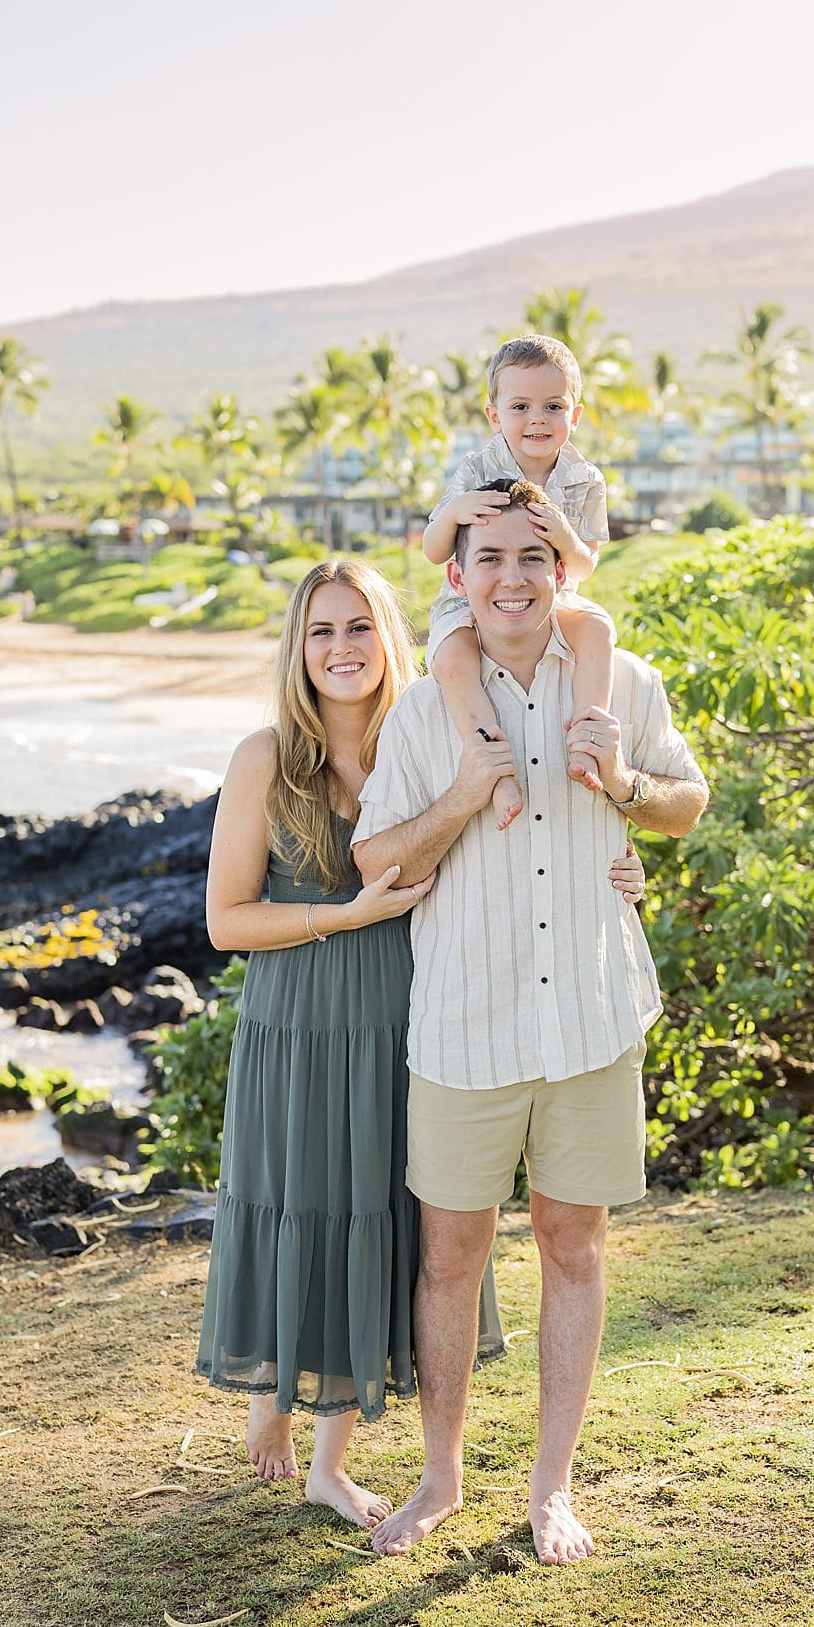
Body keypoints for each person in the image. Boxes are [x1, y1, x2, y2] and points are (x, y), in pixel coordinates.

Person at [195, 558, 646, 1529]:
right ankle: (272, 1393)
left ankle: (329, 1462)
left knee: (376, 1215)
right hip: (303, 1017)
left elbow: (532, 838)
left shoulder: (430, 728)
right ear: (298, 648)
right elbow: (226, 921)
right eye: (322, 631)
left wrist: (621, 858)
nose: (342, 648)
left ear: (390, 637)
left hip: (414, 1009)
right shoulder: (266, 756)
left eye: (360, 626)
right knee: (303, 1204)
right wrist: (345, 916)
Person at [354, 487, 709, 1563]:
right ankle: (441, 1480)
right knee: (450, 1256)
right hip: (465, 1024)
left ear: (561, 568)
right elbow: (376, 860)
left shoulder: (622, 682)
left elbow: (688, 803)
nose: (513, 577)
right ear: (457, 578)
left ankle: (552, 1489)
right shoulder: (425, 711)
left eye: (532, 557)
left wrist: (626, 781)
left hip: (592, 1015)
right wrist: (465, 794)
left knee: (573, 1243)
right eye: (492, 559)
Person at [421, 334, 615, 831]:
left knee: (598, 630)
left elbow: (585, 566)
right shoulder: (476, 469)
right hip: (470, 601)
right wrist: (456, 512)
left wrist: (566, 538)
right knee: (452, 659)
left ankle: (587, 744)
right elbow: (434, 550)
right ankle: (495, 772)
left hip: (551, 598)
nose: (537, 419)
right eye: (521, 406)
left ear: (575, 415)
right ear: (495, 416)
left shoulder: (586, 480)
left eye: (553, 406)